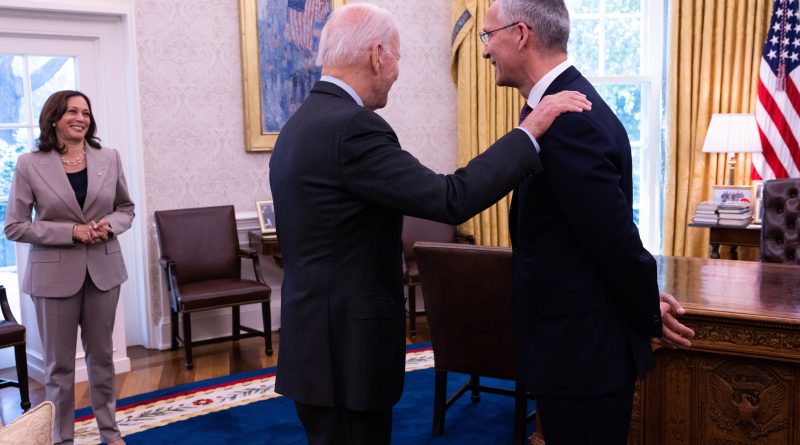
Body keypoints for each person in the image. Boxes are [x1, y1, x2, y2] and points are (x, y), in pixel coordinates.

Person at [269, 3, 591, 444]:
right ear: (378, 54)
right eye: (398, 57)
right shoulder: (353, 128)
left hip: (314, 348)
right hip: (346, 355)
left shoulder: (300, 125)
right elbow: (450, 198)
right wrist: (528, 133)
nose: (398, 72)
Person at [480, 1, 695, 443]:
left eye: (489, 36)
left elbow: (612, 235)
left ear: (521, 34)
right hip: (573, 347)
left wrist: (645, 306)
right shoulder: (555, 109)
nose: (485, 51)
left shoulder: (568, 119)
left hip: (581, 354)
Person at [5, 90, 134, 445]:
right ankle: (61, 439)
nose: (81, 118)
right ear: (54, 118)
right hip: (52, 276)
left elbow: (126, 208)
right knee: (58, 368)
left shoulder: (109, 157)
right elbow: (15, 225)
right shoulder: (29, 164)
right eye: (72, 111)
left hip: (104, 272)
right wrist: (71, 232)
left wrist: (109, 224)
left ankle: (111, 432)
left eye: (86, 113)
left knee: (103, 358)